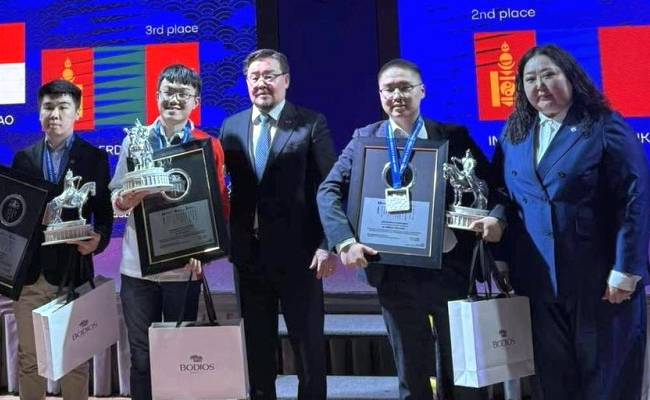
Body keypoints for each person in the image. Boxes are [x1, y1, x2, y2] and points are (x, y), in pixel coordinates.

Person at [472, 44, 650, 400]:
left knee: (606, 382)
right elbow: (502, 192)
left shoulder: (603, 125)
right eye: (530, 79)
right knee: (552, 383)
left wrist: (626, 268)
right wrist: (499, 241)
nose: (540, 85)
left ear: (571, 78)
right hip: (536, 281)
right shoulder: (515, 132)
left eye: (549, 75)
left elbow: (634, 198)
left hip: (599, 281)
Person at [316, 58, 491, 400]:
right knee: (411, 374)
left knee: (463, 372)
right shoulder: (365, 138)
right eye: (389, 89)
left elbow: (490, 186)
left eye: (405, 87)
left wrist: (493, 218)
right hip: (393, 271)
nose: (397, 95)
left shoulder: (453, 136)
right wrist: (344, 242)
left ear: (421, 91)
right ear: (380, 94)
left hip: (447, 267)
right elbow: (328, 190)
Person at [219, 49, 337, 400]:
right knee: (257, 349)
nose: (261, 83)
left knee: (308, 347)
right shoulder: (231, 127)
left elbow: (331, 187)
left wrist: (327, 243)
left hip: (301, 256)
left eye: (269, 75)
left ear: (286, 80)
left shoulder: (311, 123)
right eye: (254, 77)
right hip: (249, 256)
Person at [109, 64, 229, 400]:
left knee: (179, 357)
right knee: (142, 357)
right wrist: (126, 198)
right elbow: (116, 199)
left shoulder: (207, 144)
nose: (174, 99)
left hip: (184, 269)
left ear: (196, 101)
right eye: (168, 92)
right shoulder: (135, 141)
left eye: (182, 94)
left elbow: (219, 205)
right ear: (156, 95)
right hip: (138, 269)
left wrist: (205, 253)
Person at [11, 79, 113, 400]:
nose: (54, 114)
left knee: (75, 360)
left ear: (77, 112)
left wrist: (98, 240)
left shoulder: (94, 158)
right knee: (29, 360)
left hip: (73, 273)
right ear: (39, 112)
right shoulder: (23, 158)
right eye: (48, 107)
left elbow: (105, 216)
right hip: (30, 276)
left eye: (63, 107)